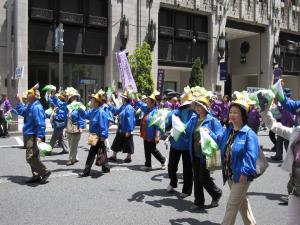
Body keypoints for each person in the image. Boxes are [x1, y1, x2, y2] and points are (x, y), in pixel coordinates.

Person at [219, 99, 258, 225]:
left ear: (243, 115)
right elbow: (220, 142)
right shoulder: (229, 131)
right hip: (230, 174)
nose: (232, 115)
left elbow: (251, 155)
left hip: (241, 176)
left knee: (231, 206)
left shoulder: (249, 134)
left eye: (236, 112)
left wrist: (245, 172)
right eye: (231, 112)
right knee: (241, 203)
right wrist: (208, 136)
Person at [260, 106, 300, 225]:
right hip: (295, 186)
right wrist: (265, 110)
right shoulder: (296, 132)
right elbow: (275, 126)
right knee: (292, 221)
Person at [186, 96, 223, 209]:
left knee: (203, 177)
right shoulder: (194, 119)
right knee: (196, 178)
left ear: (205, 107)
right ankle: (198, 202)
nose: (197, 108)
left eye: (200, 106)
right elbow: (187, 131)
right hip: (194, 153)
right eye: (196, 105)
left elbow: (220, 137)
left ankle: (216, 193)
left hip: (206, 154)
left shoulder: (212, 121)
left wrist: (209, 134)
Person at [15, 84, 51, 184]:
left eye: (29, 93)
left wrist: (40, 136)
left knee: (30, 157)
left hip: (33, 135)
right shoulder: (30, 105)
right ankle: (36, 175)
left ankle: (45, 172)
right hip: (29, 134)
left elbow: (40, 123)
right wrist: (18, 101)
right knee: (34, 157)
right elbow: (22, 112)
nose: (27, 95)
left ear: (34, 96)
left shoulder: (37, 107)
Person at [166, 92, 194, 198]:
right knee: (172, 166)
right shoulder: (175, 112)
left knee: (187, 169)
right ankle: (173, 183)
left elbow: (192, 128)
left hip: (187, 146)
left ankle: (186, 190)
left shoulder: (194, 114)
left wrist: (182, 127)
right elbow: (167, 125)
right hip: (176, 144)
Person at [79, 92, 110, 177]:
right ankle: (106, 167)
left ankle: (86, 171)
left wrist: (103, 136)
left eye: (92, 100)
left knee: (92, 153)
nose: (91, 102)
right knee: (102, 152)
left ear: (96, 102)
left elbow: (103, 125)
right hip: (93, 136)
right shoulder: (92, 111)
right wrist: (79, 109)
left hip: (99, 136)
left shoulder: (101, 112)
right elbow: (85, 115)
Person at [136, 93, 167, 170]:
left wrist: (157, 136)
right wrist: (134, 95)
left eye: (148, 100)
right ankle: (148, 164)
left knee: (153, 149)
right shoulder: (147, 109)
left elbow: (158, 125)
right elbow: (140, 104)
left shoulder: (155, 112)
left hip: (151, 134)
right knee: (146, 149)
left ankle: (163, 160)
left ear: (153, 102)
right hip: (145, 133)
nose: (146, 101)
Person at [109, 90, 136, 163]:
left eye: (123, 97)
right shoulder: (123, 106)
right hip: (121, 128)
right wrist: (109, 106)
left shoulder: (129, 108)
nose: (122, 98)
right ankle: (114, 155)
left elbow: (130, 120)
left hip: (126, 129)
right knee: (117, 142)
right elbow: (116, 111)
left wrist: (129, 130)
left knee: (128, 143)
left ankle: (129, 157)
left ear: (126, 99)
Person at [65, 87, 85, 166]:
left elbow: (81, 117)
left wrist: (80, 127)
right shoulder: (68, 106)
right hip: (68, 126)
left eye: (73, 96)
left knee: (73, 145)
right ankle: (75, 157)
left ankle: (71, 159)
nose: (72, 98)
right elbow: (65, 117)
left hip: (76, 126)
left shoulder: (79, 105)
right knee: (71, 144)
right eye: (71, 96)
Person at [48, 90, 69, 154]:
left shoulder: (58, 102)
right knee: (61, 136)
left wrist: (52, 94)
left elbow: (51, 100)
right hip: (63, 121)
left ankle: (48, 151)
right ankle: (66, 149)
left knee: (54, 137)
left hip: (58, 121)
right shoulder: (66, 103)